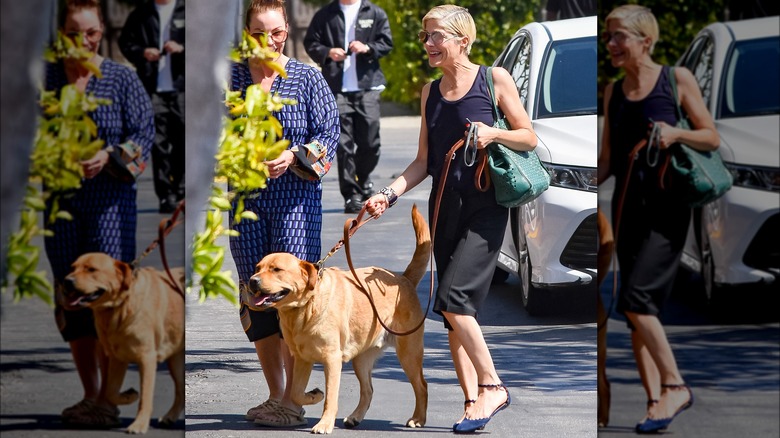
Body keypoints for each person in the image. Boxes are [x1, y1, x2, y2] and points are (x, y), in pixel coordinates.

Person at [364, 5, 535, 434]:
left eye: (436, 36)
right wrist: (388, 194)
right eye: (425, 37)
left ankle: (493, 386)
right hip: (445, 211)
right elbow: (423, 161)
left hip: (485, 208)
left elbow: (529, 136)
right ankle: (472, 403)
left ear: (463, 40)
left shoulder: (493, 81)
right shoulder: (429, 93)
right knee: (454, 315)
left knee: (454, 300)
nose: (428, 44)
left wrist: (494, 133)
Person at [597, 4, 718, 433]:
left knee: (636, 300)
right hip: (627, 210)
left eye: (618, 37)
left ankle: (675, 385)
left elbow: (711, 135)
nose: (610, 44)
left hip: (668, 210)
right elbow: (608, 160)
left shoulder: (675, 80)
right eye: (608, 36)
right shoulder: (613, 92)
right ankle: (655, 404)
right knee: (635, 312)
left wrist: (676, 133)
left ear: (645, 40)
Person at [228, 0, 340, 428]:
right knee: (255, 296)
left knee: (292, 297)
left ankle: (294, 400)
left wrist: (293, 153)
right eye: (259, 34)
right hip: (245, 201)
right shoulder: (232, 78)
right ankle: (278, 394)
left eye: (276, 33)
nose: (269, 41)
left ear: (286, 29)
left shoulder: (308, 77)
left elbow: (329, 132)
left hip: (296, 199)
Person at [44, 0, 154, 427]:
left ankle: (109, 398)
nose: (84, 41)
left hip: (111, 203)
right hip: (61, 204)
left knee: (108, 298)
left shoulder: (122, 77)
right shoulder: (47, 78)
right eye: (74, 33)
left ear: (101, 29)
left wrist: (110, 153)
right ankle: (92, 394)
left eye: (91, 33)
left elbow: (144, 133)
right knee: (72, 298)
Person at [303, 0, 393, 214]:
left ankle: (363, 180)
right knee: (343, 144)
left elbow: (386, 42)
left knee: (370, 141)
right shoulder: (326, 14)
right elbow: (311, 43)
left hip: (367, 85)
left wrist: (368, 48)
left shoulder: (374, 12)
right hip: (336, 88)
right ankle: (351, 195)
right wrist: (327, 52)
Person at [118, 0, 184, 214]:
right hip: (153, 88)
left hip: (182, 87)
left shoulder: (187, 10)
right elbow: (125, 42)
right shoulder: (141, 13)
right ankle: (166, 196)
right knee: (159, 144)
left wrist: (182, 48)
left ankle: (182, 190)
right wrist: (142, 53)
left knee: (183, 139)